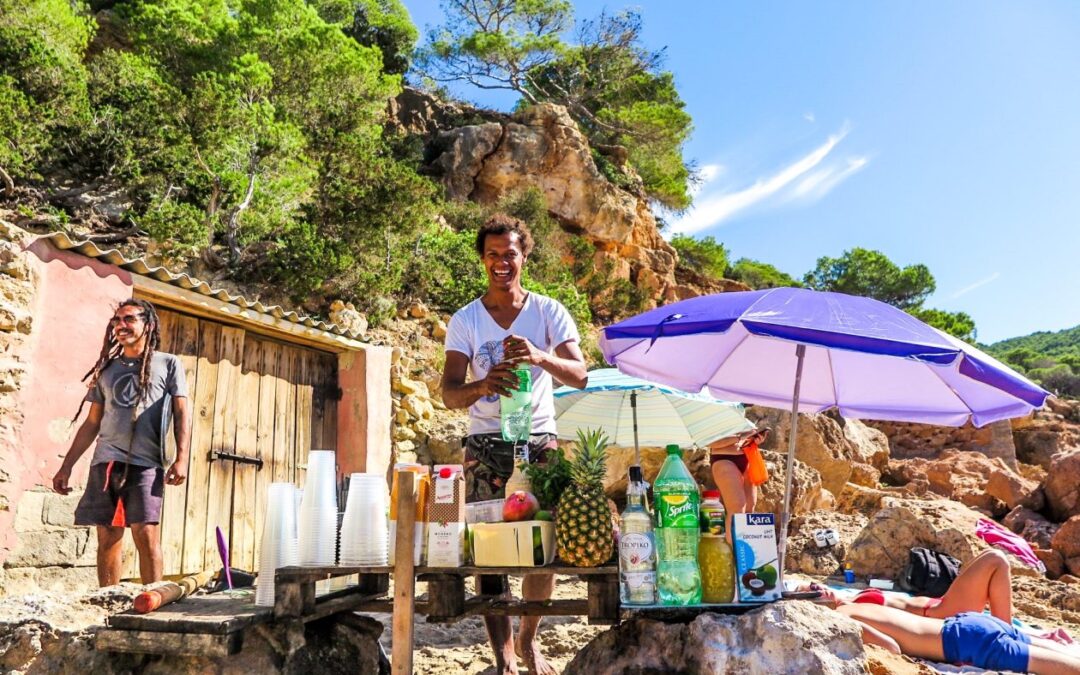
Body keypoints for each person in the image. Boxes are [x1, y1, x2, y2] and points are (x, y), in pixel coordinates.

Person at [441, 213, 588, 675]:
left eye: (510, 254)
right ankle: (503, 656)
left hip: (538, 439)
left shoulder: (548, 312)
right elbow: (448, 393)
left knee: (541, 544)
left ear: (524, 256)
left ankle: (529, 638)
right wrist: (484, 385)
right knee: (489, 550)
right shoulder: (466, 319)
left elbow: (580, 375)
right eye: (492, 255)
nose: (501, 263)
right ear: (482, 260)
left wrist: (540, 355)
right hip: (484, 443)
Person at [52, 299, 190, 586]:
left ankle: (154, 601)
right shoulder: (107, 369)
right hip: (106, 461)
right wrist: (66, 466)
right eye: (116, 320)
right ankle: (108, 601)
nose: (120, 326)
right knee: (108, 535)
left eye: (128, 319)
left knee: (145, 533)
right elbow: (92, 423)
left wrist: (181, 457)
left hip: (147, 462)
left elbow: (181, 412)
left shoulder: (168, 364)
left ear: (147, 325)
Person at [833, 602, 1080, 673]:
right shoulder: (856, 603)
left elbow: (892, 648)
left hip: (962, 642)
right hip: (968, 622)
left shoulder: (839, 619)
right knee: (1069, 656)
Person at [708, 426, 769, 543]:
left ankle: (747, 554)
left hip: (747, 455)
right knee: (737, 508)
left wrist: (755, 438)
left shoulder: (741, 414)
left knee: (749, 509)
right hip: (724, 458)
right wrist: (740, 437)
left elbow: (744, 438)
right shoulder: (717, 412)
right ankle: (733, 555)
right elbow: (711, 442)